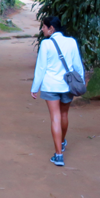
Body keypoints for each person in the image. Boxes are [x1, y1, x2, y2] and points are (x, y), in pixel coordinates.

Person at [30, 16, 85, 167]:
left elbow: (41, 68)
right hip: (67, 86)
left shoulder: (46, 44)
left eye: (44, 27)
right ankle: (61, 142)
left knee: (55, 118)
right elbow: (77, 65)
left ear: (51, 28)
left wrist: (35, 88)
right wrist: (81, 82)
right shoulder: (71, 42)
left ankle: (58, 155)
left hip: (50, 86)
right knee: (64, 115)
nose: (42, 29)